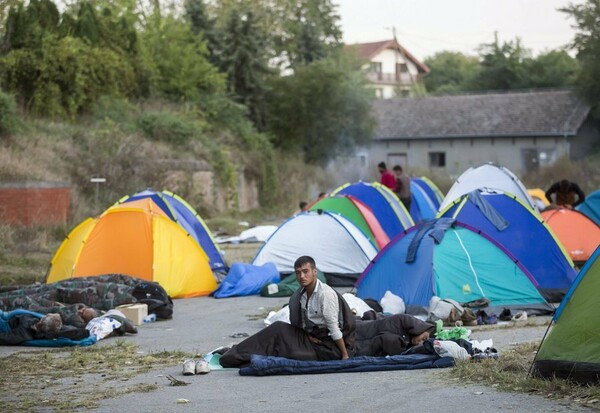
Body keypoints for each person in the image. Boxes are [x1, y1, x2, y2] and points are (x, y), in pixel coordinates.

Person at [219, 256, 355, 367]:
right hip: (311, 336)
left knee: (280, 342)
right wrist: (307, 335)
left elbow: (334, 328)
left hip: (326, 345)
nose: (302, 276)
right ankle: (235, 352)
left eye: (305, 271)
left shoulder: (325, 294)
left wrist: (344, 355)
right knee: (278, 328)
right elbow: (301, 321)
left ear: (315, 272)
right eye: (298, 273)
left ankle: (235, 355)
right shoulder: (302, 294)